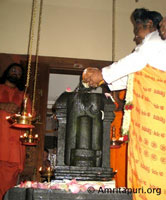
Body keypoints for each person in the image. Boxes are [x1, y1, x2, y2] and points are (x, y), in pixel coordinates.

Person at [82, 8, 166, 200]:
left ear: (150, 25)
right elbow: (129, 77)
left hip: (156, 120)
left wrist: (101, 75)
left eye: (137, 28)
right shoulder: (151, 52)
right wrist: (102, 79)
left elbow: (135, 61)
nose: (135, 35)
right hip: (146, 122)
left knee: (153, 170)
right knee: (143, 170)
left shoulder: (156, 39)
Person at [0, 63, 32, 200]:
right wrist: (2, 105)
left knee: (6, 191)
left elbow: (31, 118)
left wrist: (21, 112)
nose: (16, 74)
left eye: (19, 73)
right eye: (13, 70)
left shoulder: (23, 97)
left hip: (12, 152)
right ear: (7, 71)